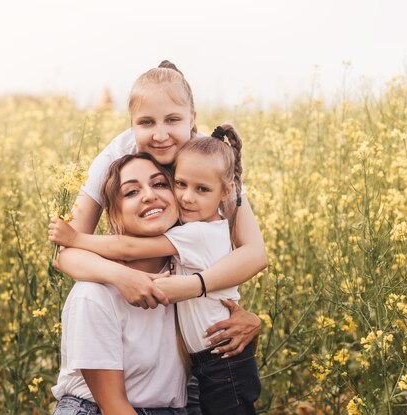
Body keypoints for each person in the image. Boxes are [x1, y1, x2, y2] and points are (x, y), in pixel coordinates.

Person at [51, 61, 267, 412]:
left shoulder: (207, 159)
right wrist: (126, 277)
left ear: (192, 119)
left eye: (173, 120)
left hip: (188, 358)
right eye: (147, 122)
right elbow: (66, 251)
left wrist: (206, 294)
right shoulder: (116, 157)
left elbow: (254, 253)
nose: (161, 134)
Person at [51, 153, 188, 414]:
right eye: (131, 191)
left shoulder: (186, 276)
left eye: (160, 184)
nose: (149, 195)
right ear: (114, 214)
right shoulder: (93, 294)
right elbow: (114, 406)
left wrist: (249, 325)